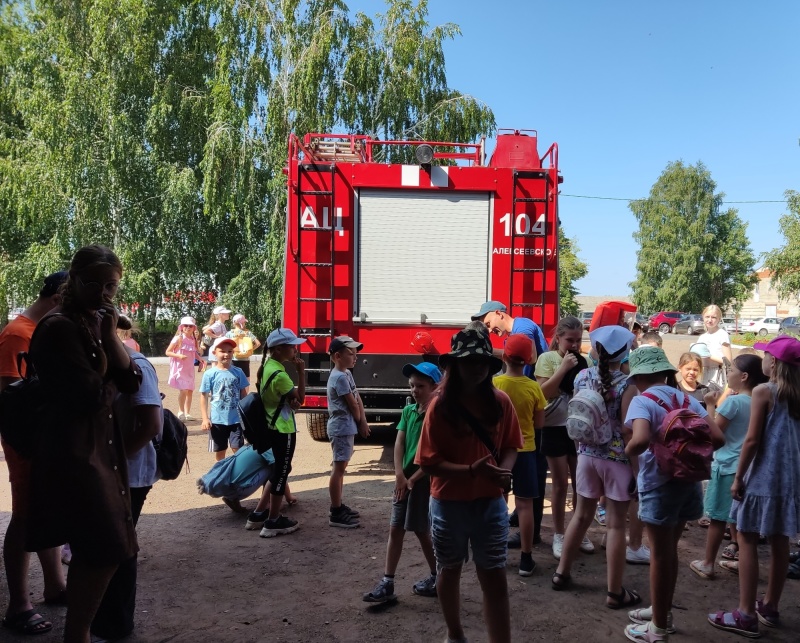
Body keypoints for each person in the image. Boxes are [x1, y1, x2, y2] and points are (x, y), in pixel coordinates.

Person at [25, 245, 143, 643]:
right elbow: (91, 395)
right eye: (93, 283)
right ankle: (77, 635)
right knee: (105, 544)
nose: (104, 293)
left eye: (111, 285)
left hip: (100, 449)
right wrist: (112, 353)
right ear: (73, 279)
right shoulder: (59, 327)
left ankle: (79, 633)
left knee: (105, 544)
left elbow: (131, 382)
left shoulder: (94, 323)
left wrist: (110, 338)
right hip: (75, 453)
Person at [416, 327, 522, 643]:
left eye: (480, 362)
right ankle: (455, 634)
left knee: (494, 577)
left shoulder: (501, 402)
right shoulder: (440, 406)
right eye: (467, 362)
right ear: (454, 366)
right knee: (449, 570)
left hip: (490, 503)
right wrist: (471, 471)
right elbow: (428, 462)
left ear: (489, 366)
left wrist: (503, 471)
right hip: (449, 503)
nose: (475, 368)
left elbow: (512, 446)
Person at [623, 347, 723, 642]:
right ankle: (660, 611)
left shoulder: (643, 401)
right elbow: (718, 437)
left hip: (659, 485)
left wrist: (626, 453)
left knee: (659, 555)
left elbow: (639, 440)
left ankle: (658, 629)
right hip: (688, 483)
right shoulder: (688, 399)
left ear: (639, 376)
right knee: (669, 552)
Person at [708, 335, 800, 637]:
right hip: (790, 478)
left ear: (773, 362)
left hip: (762, 475)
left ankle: (745, 613)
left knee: (746, 538)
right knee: (779, 540)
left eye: (766, 355)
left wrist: (738, 477)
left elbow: (752, 439)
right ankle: (770, 606)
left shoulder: (764, 391)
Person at [553, 326, 641, 610]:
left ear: (597, 349)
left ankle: (561, 573)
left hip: (586, 456)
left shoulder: (581, 376)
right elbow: (628, 431)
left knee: (580, 516)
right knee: (615, 525)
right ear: (625, 352)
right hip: (616, 461)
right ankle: (615, 592)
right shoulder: (628, 384)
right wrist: (638, 471)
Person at [0, 271, 68, 636]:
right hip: (26, 441)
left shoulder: (36, 332)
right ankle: (18, 605)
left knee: (45, 509)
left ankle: (56, 585)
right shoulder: (16, 335)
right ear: (59, 298)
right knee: (25, 516)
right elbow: (11, 400)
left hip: (43, 438)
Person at [91, 315, 163, 640]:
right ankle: (104, 618)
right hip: (108, 470)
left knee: (120, 543)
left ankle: (116, 624)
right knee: (108, 541)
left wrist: (114, 466)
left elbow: (150, 425)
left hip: (129, 474)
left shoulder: (138, 366)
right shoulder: (95, 364)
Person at [363, 361, 441, 604]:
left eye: (420, 386)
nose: (415, 390)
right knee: (395, 528)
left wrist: (412, 479)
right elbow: (398, 443)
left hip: (422, 481)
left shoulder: (437, 415)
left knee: (421, 530)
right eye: (412, 386)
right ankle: (388, 580)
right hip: (404, 481)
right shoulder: (409, 411)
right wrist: (399, 475)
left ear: (434, 387)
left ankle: (438, 575)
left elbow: (436, 455)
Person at [689, 354, 767, 580]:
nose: (728, 373)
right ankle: (743, 561)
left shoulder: (733, 402)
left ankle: (708, 563)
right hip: (748, 468)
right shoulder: (761, 402)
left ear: (743, 376)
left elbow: (713, 433)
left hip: (726, 466)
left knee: (717, 518)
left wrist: (711, 405)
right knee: (742, 521)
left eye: (731, 369)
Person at [535, 315, 589, 559]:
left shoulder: (584, 361)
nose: (575, 345)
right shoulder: (547, 358)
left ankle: (580, 531)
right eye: (570, 340)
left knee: (581, 485)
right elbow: (542, 393)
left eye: (578, 340)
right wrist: (565, 367)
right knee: (559, 484)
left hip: (578, 429)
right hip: (554, 427)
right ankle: (558, 534)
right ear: (558, 338)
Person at [244, 328, 306, 538]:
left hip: (271, 425)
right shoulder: (281, 375)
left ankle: (258, 514)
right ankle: (273, 521)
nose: (295, 349)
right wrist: (301, 372)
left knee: (279, 469)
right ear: (278, 349)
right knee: (281, 472)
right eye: (291, 346)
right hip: (283, 428)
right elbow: (300, 400)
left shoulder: (268, 366)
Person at [492, 334, 545, 576]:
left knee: (498, 502)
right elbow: (539, 423)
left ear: (504, 356)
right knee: (525, 506)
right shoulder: (534, 387)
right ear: (529, 359)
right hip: (526, 451)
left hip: (500, 451)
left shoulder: (495, 384)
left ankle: (496, 551)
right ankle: (526, 558)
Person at [327, 336, 370, 528]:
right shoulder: (338, 377)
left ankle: (339, 505)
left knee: (342, 468)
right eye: (350, 354)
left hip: (347, 426)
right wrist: (361, 423)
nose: (355, 357)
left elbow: (357, 396)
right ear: (337, 356)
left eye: (356, 353)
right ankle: (335, 512)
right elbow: (352, 404)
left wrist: (364, 420)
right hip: (341, 427)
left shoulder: (346, 374)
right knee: (338, 469)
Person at [197, 444, 294, 512]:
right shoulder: (268, 447)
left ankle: (233, 499)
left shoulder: (250, 443)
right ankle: (268, 503)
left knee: (272, 466)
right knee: (274, 468)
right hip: (238, 489)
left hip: (227, 485)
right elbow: (279, 473)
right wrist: (289, 497)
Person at [200, 337, 250, 461]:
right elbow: (204, 396)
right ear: (214, 353)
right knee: (220, 451)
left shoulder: (238, 372)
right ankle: (221, 475)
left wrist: (247, 415)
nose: (226, 354)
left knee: (238, 450)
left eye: (230, 351)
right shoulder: (209, 374)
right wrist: (205, 418)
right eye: (222, 351)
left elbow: (244, 394)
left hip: (236, 420)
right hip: (217, 420)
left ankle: (238, 475)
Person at [472, 300, 548, 359]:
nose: (489, 331)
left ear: (498, 314)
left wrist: (488, 350)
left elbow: (530, 357)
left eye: (488, 324)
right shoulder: (511, 336)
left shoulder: (522, 326)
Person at [166, 316, 205, 420]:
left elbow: (193, 352)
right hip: (180, 368)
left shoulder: (193, 340)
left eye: (190, 326)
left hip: (189, 369)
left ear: (194, 328)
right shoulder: (178, 339)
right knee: (183, 390)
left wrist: (199, 358)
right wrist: (179, 356)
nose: (188, 327)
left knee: (189, 391)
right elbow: (168, 352)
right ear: (181, 327)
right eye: (186, 325)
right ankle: (181, 411)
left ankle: (188, 413)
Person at [697, 304, 732, 389]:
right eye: (707, 317)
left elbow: (728, 362)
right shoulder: (702, 337)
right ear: (703, 317)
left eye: (713, 317)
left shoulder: (722, 334)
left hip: (719, 374)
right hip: (706, 372)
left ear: (719, 319)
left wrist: (709, 355)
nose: (710, 320)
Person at [226, 313, 261, 378]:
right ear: (242, 323)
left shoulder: (229, 334)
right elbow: (258, 343)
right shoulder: (248, 333)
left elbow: (226, 346)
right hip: (245, 360)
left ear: (234, 323)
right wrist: (250, 349)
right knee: (245, 380)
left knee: (234, 379)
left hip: (234, 360)